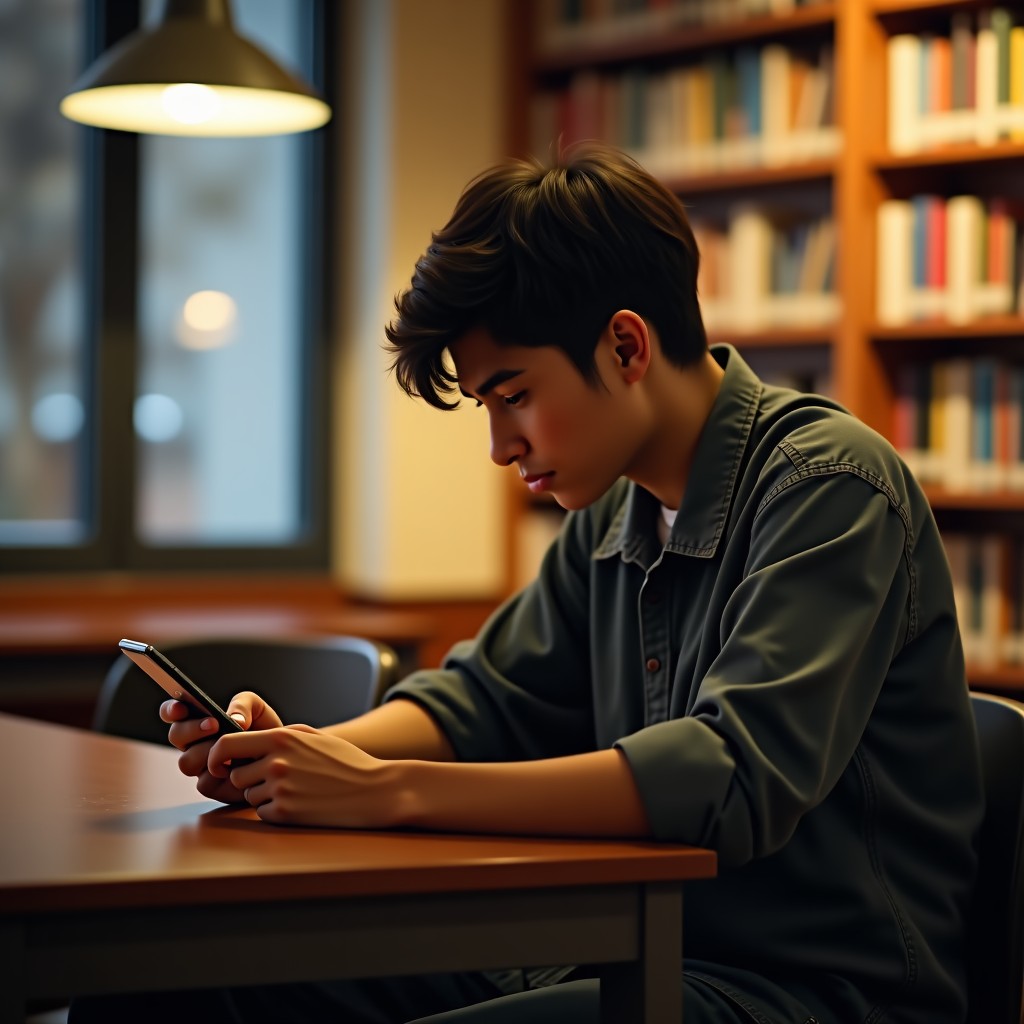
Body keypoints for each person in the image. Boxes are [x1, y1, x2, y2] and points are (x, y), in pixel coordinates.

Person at [70, 143, 982, 1024]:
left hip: (804, 991)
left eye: (513, 395)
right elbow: (484, 699)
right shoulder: (611, 518)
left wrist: (387, 790)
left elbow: (728, 775)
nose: (501, 445)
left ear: (626, 346)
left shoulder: (829, 487)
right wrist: (306, 761)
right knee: (165, 977)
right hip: (618, 948)